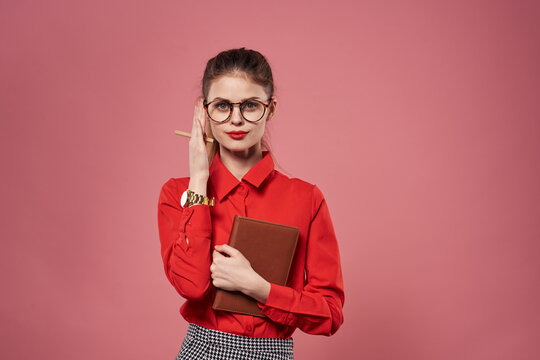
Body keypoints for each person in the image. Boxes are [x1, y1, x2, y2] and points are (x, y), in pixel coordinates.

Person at [158, 47, 344, 360]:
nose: (236, 119)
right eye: (222, 105)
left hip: (273, 352)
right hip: (203, 350)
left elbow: (330, 314)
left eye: (250, 105)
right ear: (204, 111)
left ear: (270, 109)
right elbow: (192, 286)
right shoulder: (178, 193)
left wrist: (260, 289)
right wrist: (199, 180)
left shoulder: (306, 198)